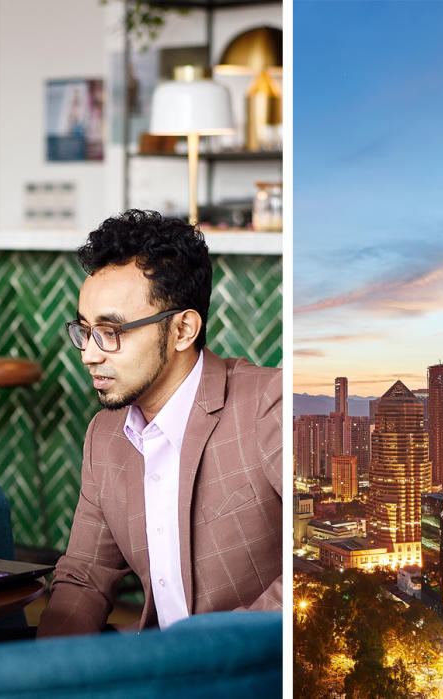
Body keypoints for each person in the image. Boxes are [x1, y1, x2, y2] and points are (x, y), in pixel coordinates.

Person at [37, 210, 282, 636]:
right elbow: (86, 574)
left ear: (183, 329)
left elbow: (313, 569)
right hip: (162, 668)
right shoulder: (105, 436)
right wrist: (53, 671)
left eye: (111, 331)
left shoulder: (267, 406)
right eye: (84, 330)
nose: (89, 354)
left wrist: (205, 655)